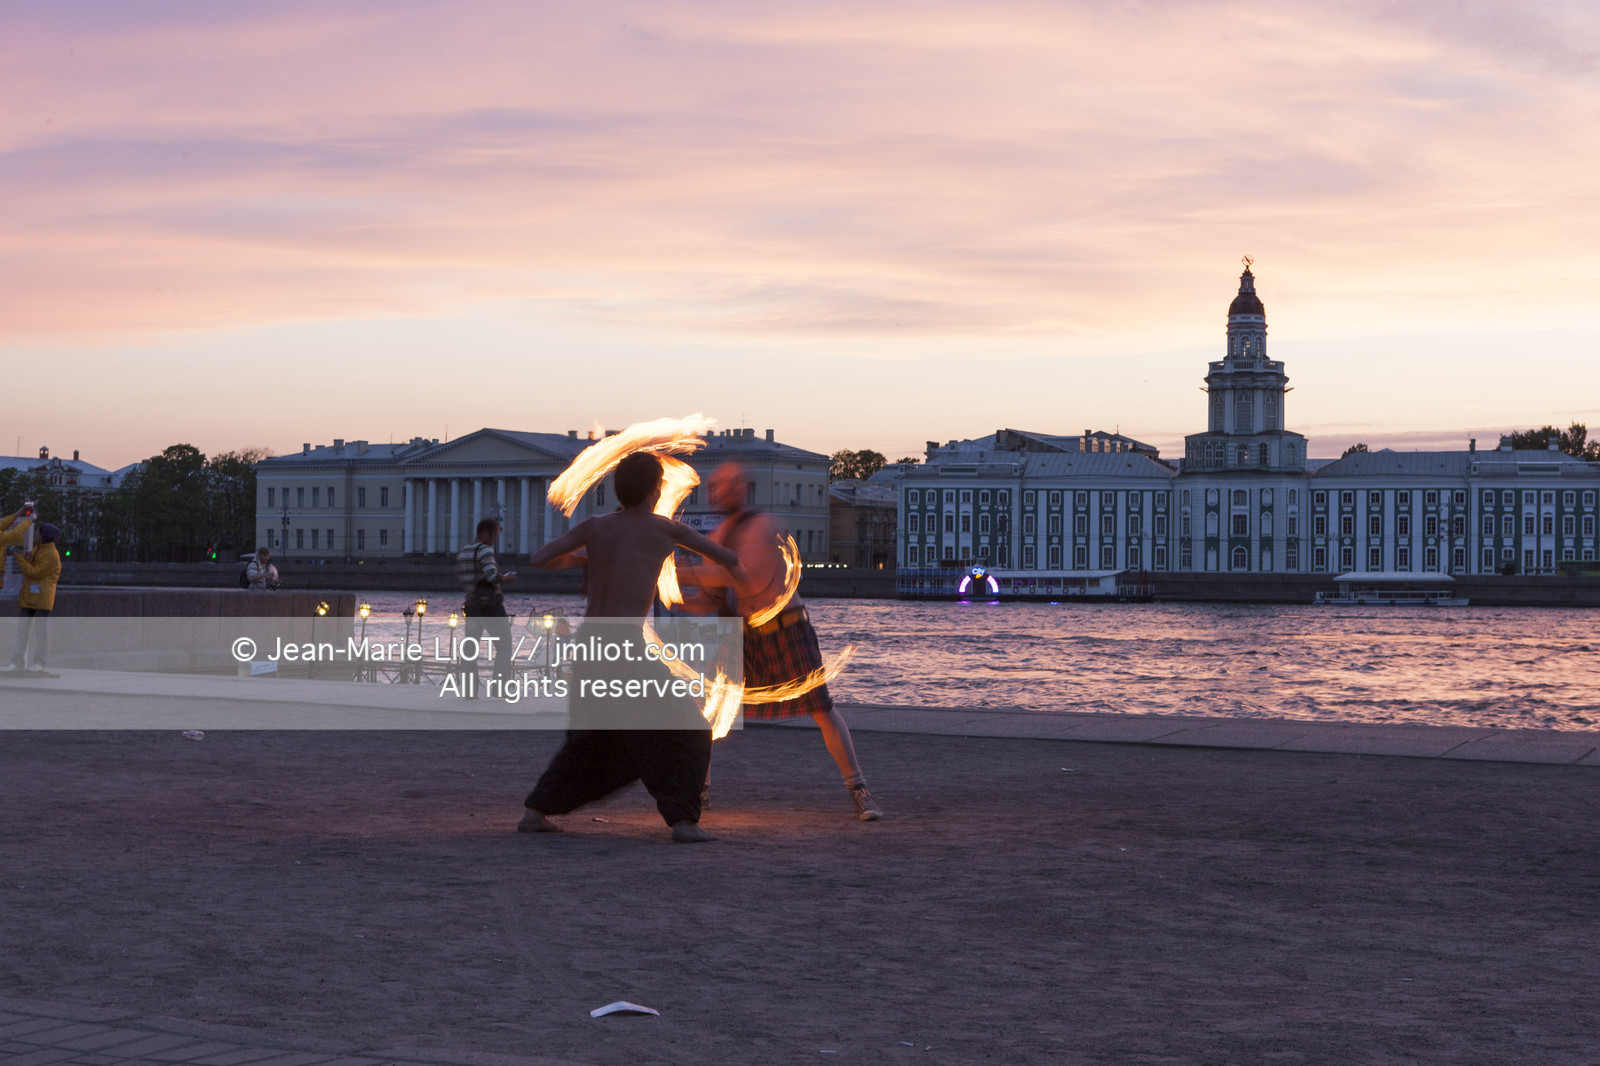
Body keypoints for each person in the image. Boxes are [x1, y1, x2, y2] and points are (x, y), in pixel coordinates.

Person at [518, 451, 748, 844]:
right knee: (691, 727)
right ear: (657, 490)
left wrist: (586, 560)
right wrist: (750, 592)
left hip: (589, 646)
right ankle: (684, 822)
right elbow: (727, 558)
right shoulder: (664, 529)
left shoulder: (595, 526)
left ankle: (535, 813)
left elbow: (540, 558)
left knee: (591, 737)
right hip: (624, 646)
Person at [682, 462, 883, 821]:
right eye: (716, 487)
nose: (721, 492)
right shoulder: (714, 540)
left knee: (821, 709)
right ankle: (698, 791)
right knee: (706, 712)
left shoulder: (764, 525)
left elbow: (745, 579)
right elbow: (708, 601)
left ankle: (859, 790)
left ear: (744, 488)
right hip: (741, 635)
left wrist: (678, 571)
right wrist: (668, 592)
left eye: (729, 485)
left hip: (787, 628)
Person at [456, 518, 516, 690]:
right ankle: (500, 686)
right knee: (504, 645)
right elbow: (492, 576)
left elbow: (464, 580)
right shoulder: (485, 550)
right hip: (491, 606)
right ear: (484, 533)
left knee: (471, 649)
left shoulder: (463, 553)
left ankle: (469, 689)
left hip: (472, 605)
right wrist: (507, 578)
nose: (495, 540)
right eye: (494, 535)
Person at [6, 522, 61, 674]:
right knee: (22, 630)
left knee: (40, 631)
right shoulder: (37, 549)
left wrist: (19, 557)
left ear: (44, 536)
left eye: (38, 532)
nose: (35, 534)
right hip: (29, 598)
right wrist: (24, 556)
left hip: (42, 600)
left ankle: (39, 662)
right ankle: (17, 661)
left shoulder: (51, 554)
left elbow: (34, 572)